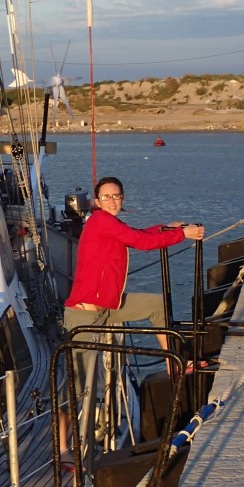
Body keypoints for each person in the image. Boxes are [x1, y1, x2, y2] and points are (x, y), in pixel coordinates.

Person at [59, 175, 204, 461]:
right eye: (108, 197)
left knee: (156, 304)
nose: (113, 201)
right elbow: (138, 241)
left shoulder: (111, 223)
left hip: (108, 307)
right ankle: (63, 449)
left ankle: (173, 362)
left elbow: (138, 233)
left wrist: (166, 227)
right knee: (76, 389)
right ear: (97, 202)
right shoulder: (100, 221)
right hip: (83, 315)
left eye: (118, 196)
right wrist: (181, 235)